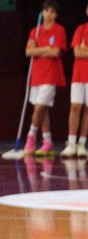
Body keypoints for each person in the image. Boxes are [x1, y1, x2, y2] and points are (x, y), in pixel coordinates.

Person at [23, 0, 66, 156]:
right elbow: (28, 51)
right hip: (36, 75)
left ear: (56, 14)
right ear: (42, 12)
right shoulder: (35, 31)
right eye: (46, 10)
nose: (49, 14)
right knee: (43, 110)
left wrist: (38, 50)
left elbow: (56, 52)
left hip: (50, 75)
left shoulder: (59, 30)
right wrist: (46, 48)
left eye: (52, 11)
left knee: (40, 107)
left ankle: (31, 136)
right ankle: (47, 142)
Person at [61, 1, 88, 158]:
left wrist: (85, 50)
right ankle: (71, 143)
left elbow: (83, 51)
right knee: (76, 107)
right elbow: (78, 52)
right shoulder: (81, 29)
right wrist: (82, 50)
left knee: (87, 109)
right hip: (79, 75)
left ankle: (82, 144)